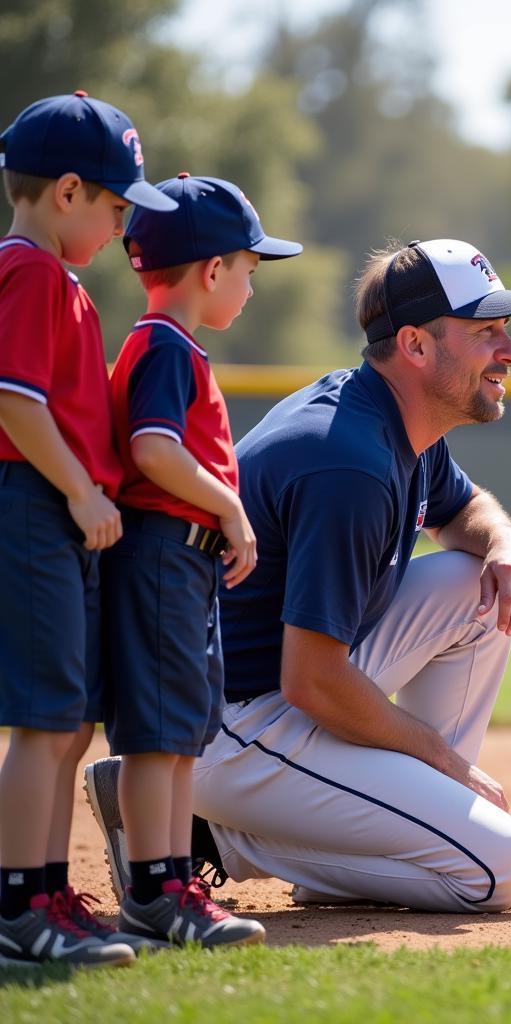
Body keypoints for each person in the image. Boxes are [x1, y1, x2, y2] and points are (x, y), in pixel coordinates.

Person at [87, 238, 511, 915]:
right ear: (417, 345)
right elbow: (310, 679)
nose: (508, 349)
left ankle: (400, 840)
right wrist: (444, 763)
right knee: (497, 871)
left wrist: (508, 540)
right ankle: (208, 835)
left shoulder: (394, 416)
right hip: (226, 724)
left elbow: (467, 509)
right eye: (486, 331)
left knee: (476, 583)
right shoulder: (350, 463)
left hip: (279, 689)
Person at [83, 174, 302, 949]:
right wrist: (231, 508)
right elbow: (153, 448)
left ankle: (170, 882)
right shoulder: (164, 345)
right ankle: (155, 891)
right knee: (156, 736)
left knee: (179, 732)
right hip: (159, 561)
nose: (248, 286)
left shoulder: (170, 344)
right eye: (247, 269)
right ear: (212, 270)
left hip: (181, 564)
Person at [0, 91, 177, 969]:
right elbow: (14, 402)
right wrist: (79, 491)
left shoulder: (53, 275)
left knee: (63, 721)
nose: (119, 227)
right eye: (115, 207)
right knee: (42, 721)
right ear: (66, 190)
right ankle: (16, 906)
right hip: (36, 504)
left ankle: (42, 889)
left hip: (52, 508)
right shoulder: (30, 270)